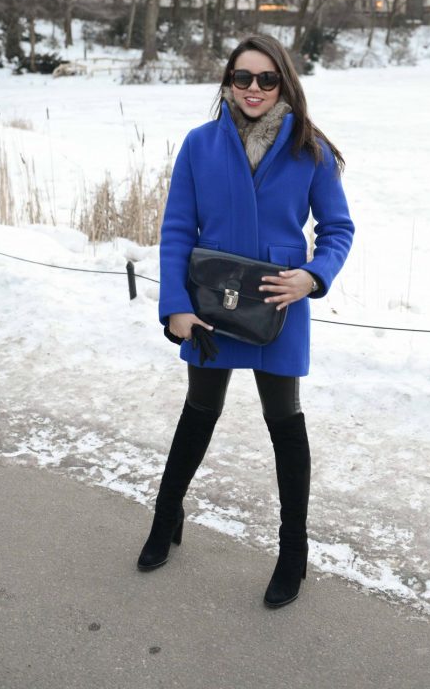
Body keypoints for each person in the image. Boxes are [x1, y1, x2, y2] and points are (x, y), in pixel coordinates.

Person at [137, 33, 354, 608]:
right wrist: (175, 308)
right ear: (227, 82)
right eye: (242, 78)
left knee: (285, 425)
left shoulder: (311, 150)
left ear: (284, 82)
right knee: (198, 413)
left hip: (279, 309)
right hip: (211, 305)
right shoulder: (200, 145)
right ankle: (165, 519)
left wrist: (312, 276)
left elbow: (338, 231)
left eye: (266, 79)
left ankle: (293, 552)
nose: (253, 89)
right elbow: (177, 231)